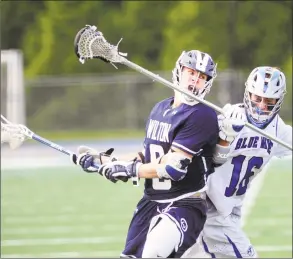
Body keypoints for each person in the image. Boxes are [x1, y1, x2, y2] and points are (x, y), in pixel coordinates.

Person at [72, 50, 223, 258]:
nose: (196, 80)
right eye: (191, 72)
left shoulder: (202, 115)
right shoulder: (159, 108)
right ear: (179, 71)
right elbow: (148, 155)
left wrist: (130, 170)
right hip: (151, 201)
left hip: (184, 203)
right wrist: (105, 160)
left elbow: (173, 168)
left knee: (153, 252)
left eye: (202, 77)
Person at [183, 66, 292, 258]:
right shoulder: (229, 118)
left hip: (230, 211)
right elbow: (214, 160)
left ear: (278, 101)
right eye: (257, 98)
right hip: (209, 209)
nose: (260, 105)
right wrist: (225, 137)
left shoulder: (278, 130)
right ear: (248, 94)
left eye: (268, 101)